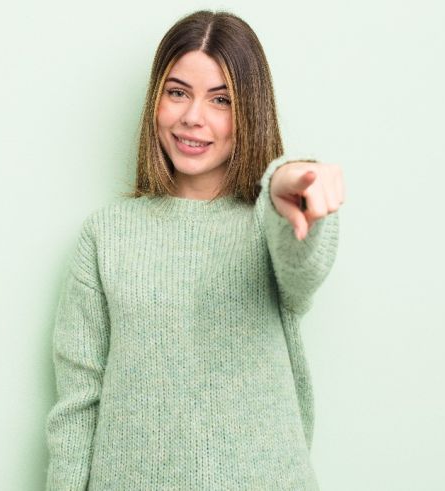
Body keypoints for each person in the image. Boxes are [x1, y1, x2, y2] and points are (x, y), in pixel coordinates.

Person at [45, 9, 344, 490]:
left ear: (251, 110)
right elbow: (79, 404)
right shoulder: (105, 236)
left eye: (221, 99)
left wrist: (285, 182)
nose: (193, 117)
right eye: (177, 92)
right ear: (155, 101)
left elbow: (303, 262)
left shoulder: (269, 222)